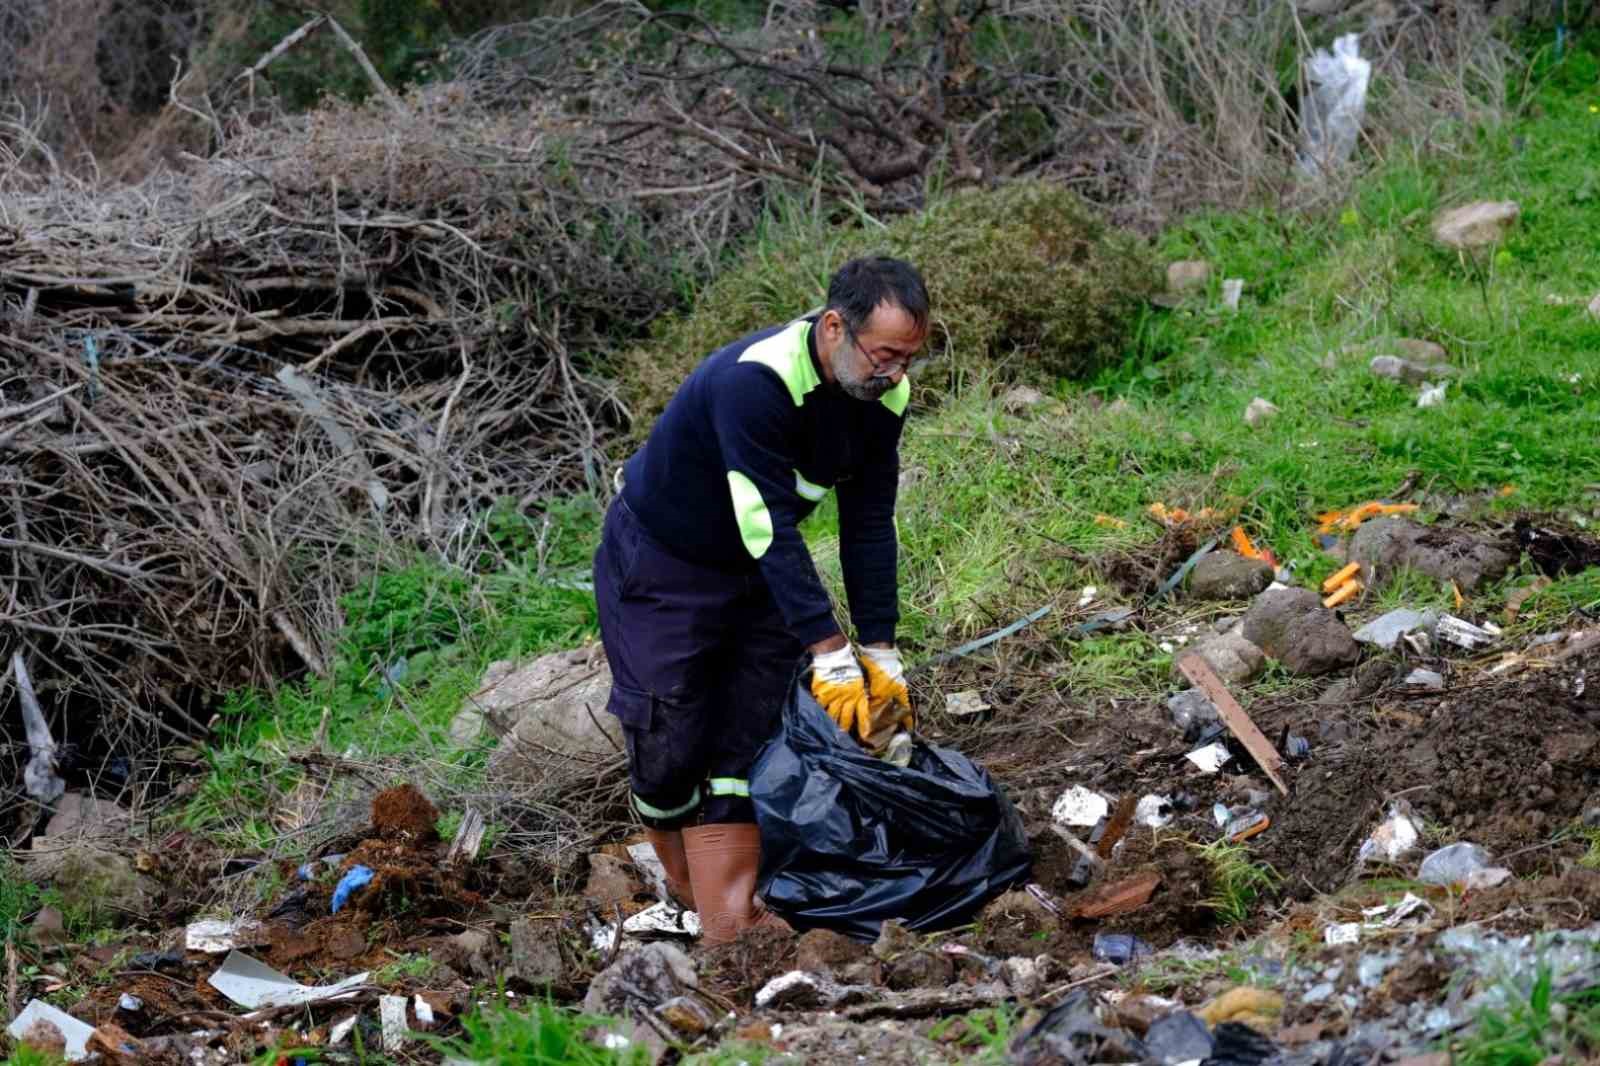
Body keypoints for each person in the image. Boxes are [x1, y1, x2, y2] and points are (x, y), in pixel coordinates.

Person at [591, 256, 930, 942]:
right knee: (668, 744)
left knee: (751, 735)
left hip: (757, 567)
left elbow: (867, 524)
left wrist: (880, 649)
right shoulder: (756, 382)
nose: (895, 373)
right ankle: (684, 890)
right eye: (885, 355)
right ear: (835, 327)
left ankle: (728, 927)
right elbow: (763, 520)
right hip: (664, 562)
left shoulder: (881, 398)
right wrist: (829, 649)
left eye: (908, 359)